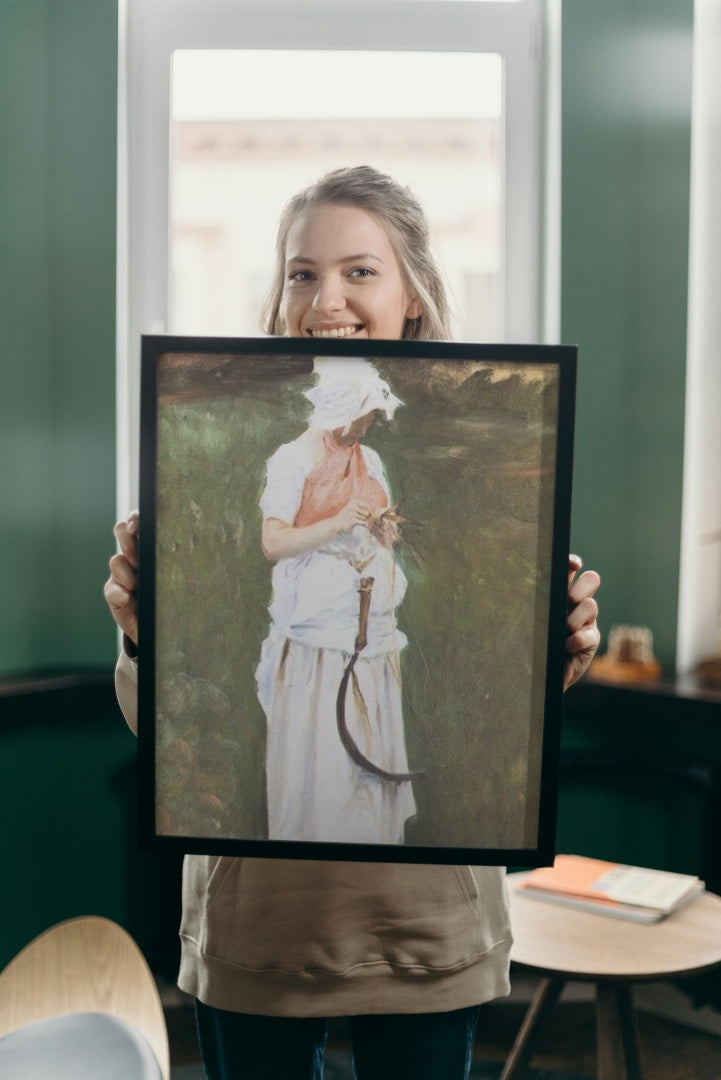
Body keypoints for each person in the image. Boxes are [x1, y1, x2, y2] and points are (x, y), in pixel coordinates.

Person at [105, 166, 601, 1080]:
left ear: (412, 293)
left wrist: (553, 650)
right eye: (301, 272)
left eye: (359, 271)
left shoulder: (437, 446)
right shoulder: (273, 451)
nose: (325, 297)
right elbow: (161, 720)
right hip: (260, 924)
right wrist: (144, 634)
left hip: (421, 923)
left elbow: (509, 693)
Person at [257, 357, 416, 844]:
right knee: (323, 755)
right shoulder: (293, 459)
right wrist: (337, 522)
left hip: (369, 626)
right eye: (366, 413)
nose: (371, 422)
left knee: (370, 752)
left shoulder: (371, 459)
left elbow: (376, 529)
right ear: (342, 410)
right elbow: (274, 543)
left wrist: (383, 529)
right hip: (317, 634)